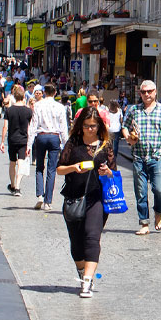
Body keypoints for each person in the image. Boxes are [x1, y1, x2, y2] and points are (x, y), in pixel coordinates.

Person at [56, 106, 117, 298]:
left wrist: (107, 172)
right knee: (76, 243)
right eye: (87, 126)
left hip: (96, 197)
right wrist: (73, 167)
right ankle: (82, 271)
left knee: (92, 236)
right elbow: (59, 169)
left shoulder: (106, 145)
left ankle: (88, 281)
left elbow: (114, 173)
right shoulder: (73, 142)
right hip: (74, 197)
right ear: (80, 126)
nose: (90, 129)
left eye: (94, 126)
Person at [122, 80, 161, 235]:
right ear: (140, 93)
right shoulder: (134, 110)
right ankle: (144, 223)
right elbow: (124, 126)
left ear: (155, 93)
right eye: (143, 92)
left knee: (159, 190)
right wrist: (128, 138)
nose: (146, 94)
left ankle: (158, 213)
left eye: (150, 91)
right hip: (139, 157)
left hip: (157, 157)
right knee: (140, 192)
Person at [27, 84, 70, 210]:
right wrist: (66, 144)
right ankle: (48, 201)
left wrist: (29, 144)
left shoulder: (38, 105)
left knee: (39, 167)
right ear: (55, 92)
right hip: (54, 137)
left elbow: (33, 125)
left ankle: (40, 195)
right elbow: (63, 127)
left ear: (44, 92)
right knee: (51, 169)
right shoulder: (60, 107)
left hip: (41, 136)